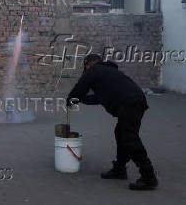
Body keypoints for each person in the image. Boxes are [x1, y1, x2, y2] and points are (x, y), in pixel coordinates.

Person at [66, 54, 158, 190]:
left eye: (86, 67)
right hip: (136, 101)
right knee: (120, 133)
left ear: (89, 64)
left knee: (130, 139)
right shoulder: (109, 72)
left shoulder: (94, 70)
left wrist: (71, 99)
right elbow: (99, 98)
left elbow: (79, 89)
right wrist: (81, 99)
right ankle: (119, 169)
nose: (86, 70)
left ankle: (148, 177)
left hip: (129, 104)